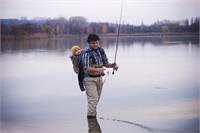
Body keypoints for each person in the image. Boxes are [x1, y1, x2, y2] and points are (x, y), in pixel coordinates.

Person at [82, 34, 119, 119]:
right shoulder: (86, 54)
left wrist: (112, 65)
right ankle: (91, 118)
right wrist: (98, 70)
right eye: (93, 43)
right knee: (93, 100)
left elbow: (106, 63)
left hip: (99, 78)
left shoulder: (101, 50)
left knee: (96, 100)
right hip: (89, 79)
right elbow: (86, 68)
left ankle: (92, 125)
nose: (95, 45)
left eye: (97, 42)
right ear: (89, 43)